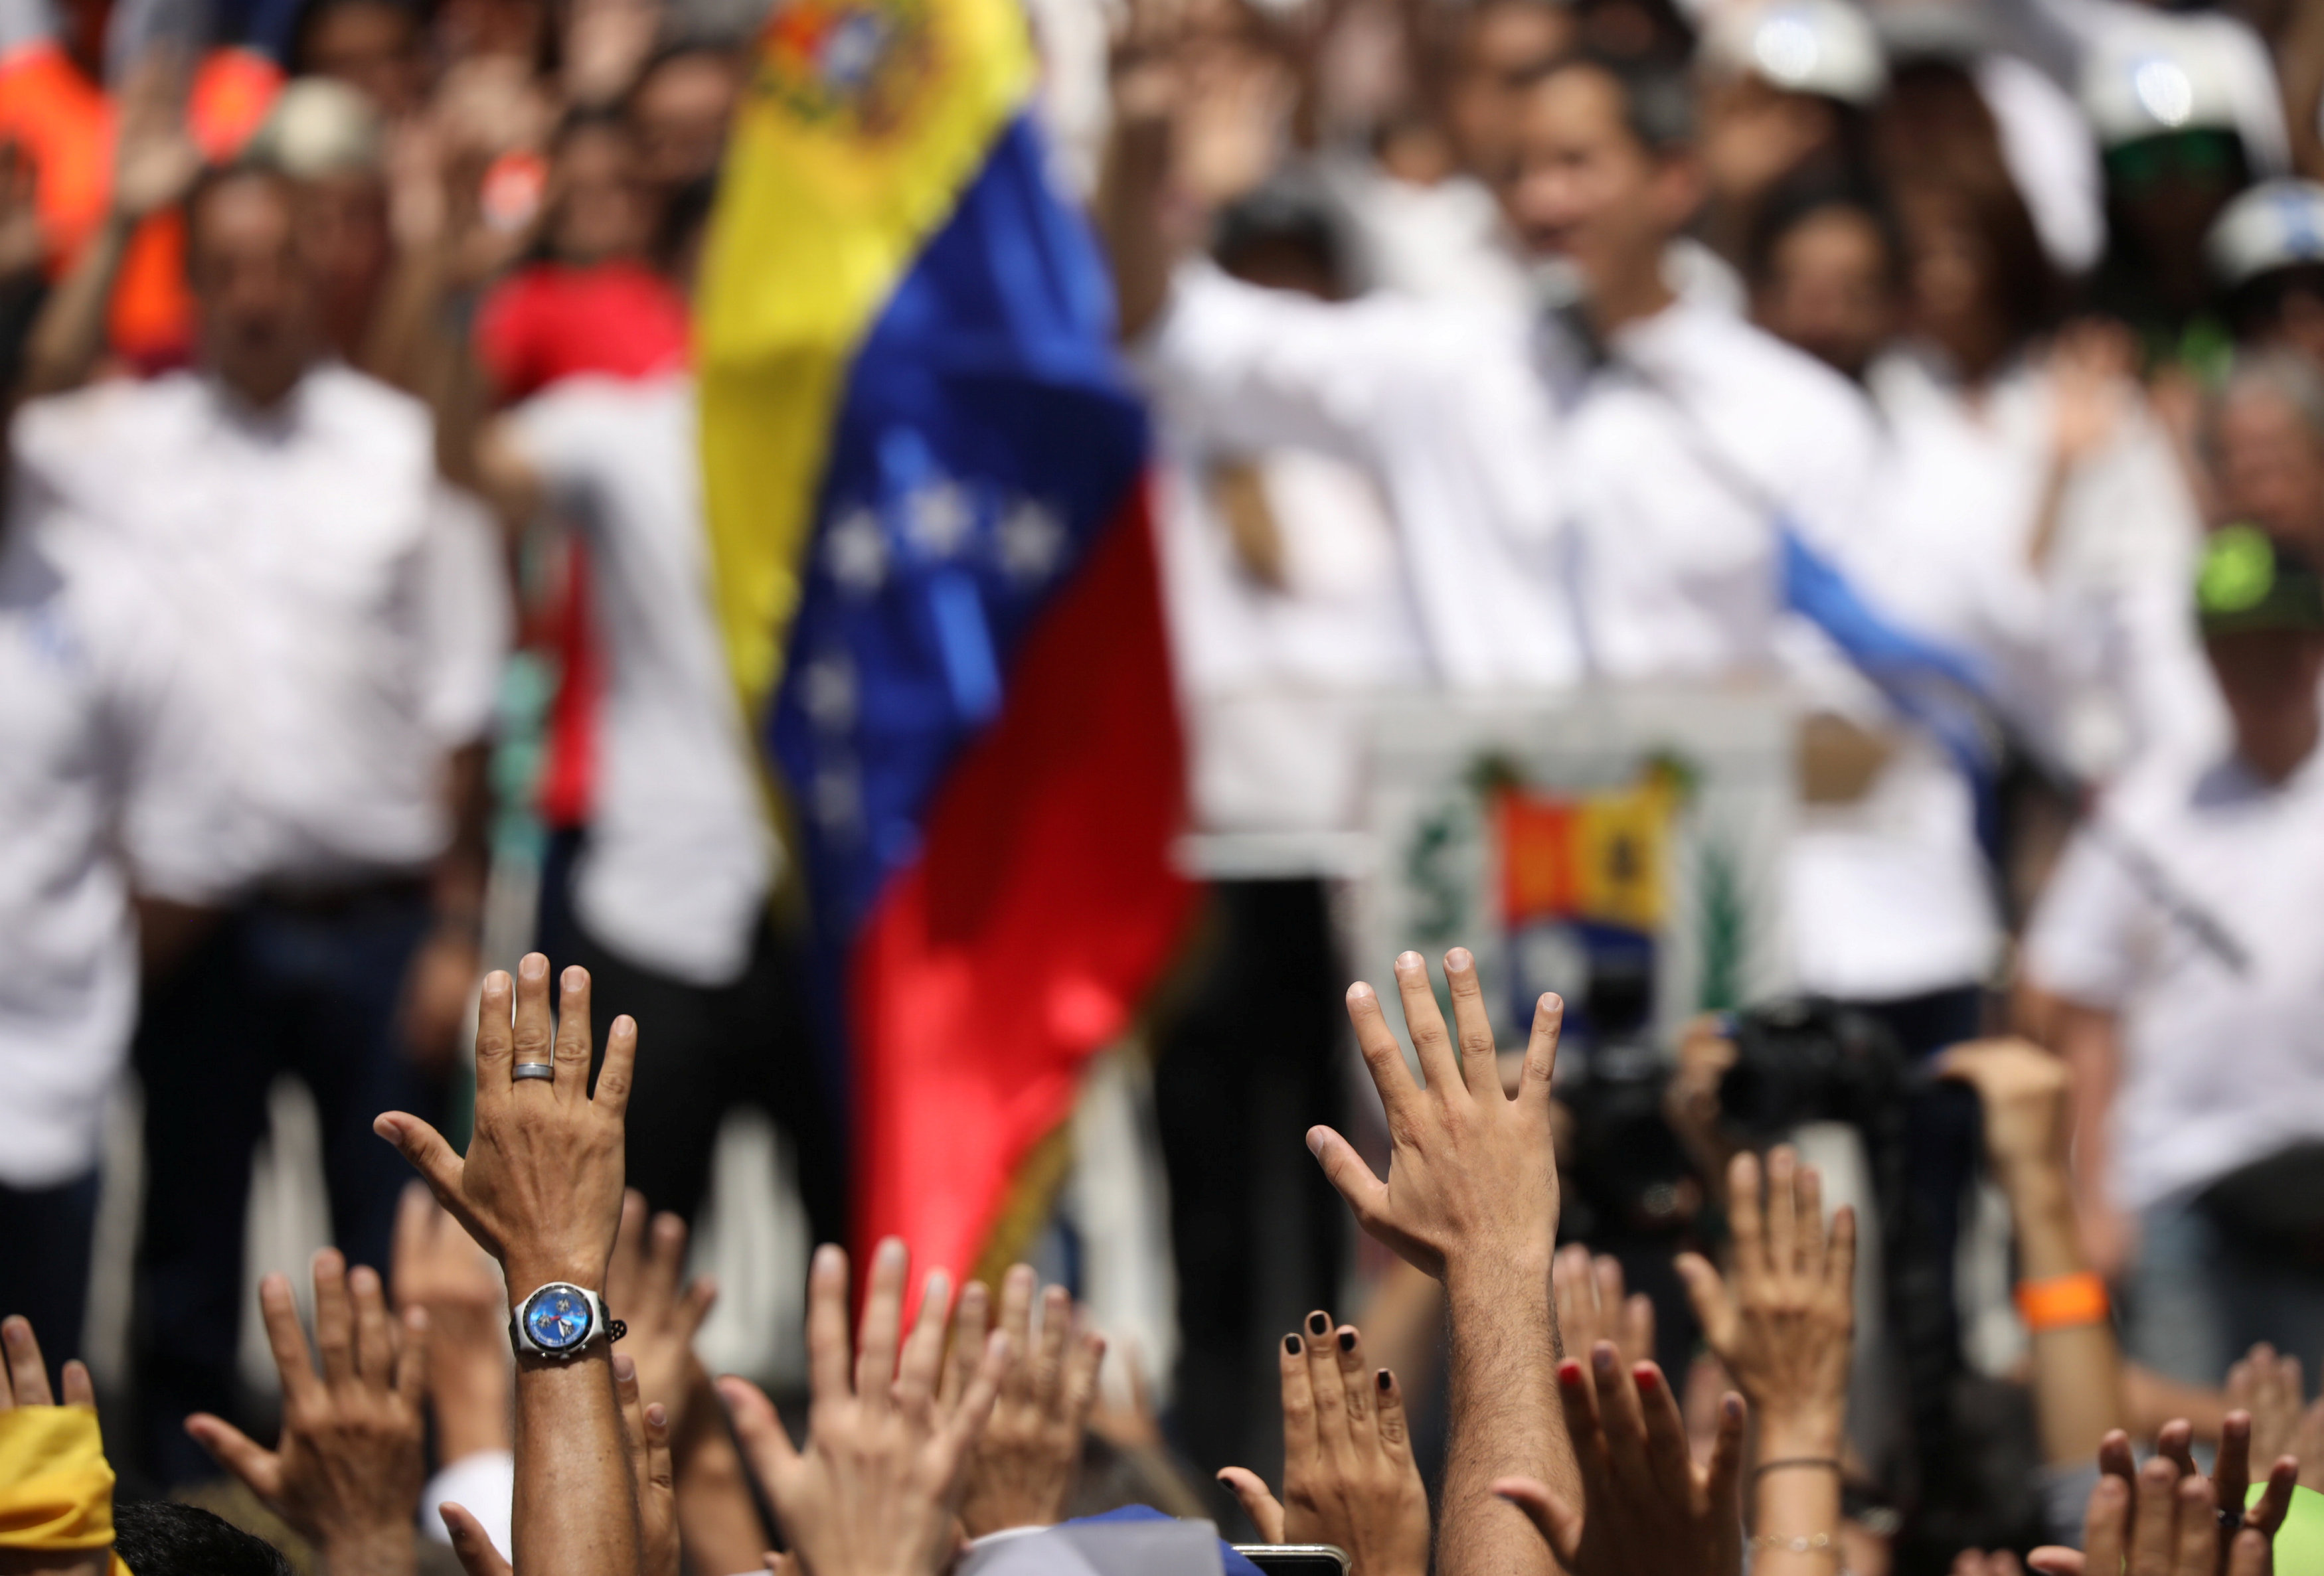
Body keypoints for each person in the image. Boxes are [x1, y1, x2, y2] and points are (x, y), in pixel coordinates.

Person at [11, 163, 510, 1484]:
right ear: (194, 281)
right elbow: (25, 390)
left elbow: (468, 707)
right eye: (220, 268)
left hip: (378, 920)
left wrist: (458, 925)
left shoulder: (403, 452)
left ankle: (392, 1513)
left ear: (319, 265)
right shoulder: (123, 442)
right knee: (186, 1244)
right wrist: (114, 218)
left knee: (385, 1249)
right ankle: (187, 1519)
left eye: (275, 263)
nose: (252, 296)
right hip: (204, 926)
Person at [470, 177, 843, 1245]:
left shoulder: (866, 451)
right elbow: (474, 463)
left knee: (862, 1272)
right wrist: (461, 303)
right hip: (657, 904)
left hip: (825, 927)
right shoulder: (624, 433)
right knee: (621, 1266)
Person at [2023, 527, 2324, 1386]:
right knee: (2199, 1477)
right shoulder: (2151, 810)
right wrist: (2094, 1198)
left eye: (2279, 643)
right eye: (2235, 650)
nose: (2258, 671)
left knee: (2312, 1490)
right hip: (2188, 1191)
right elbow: (2074, 998)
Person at [0, 500, 224, 1392]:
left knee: (35, 1394)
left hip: (45, 1073)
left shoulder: (103, 599)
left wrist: (85, 985)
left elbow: (182, 844)